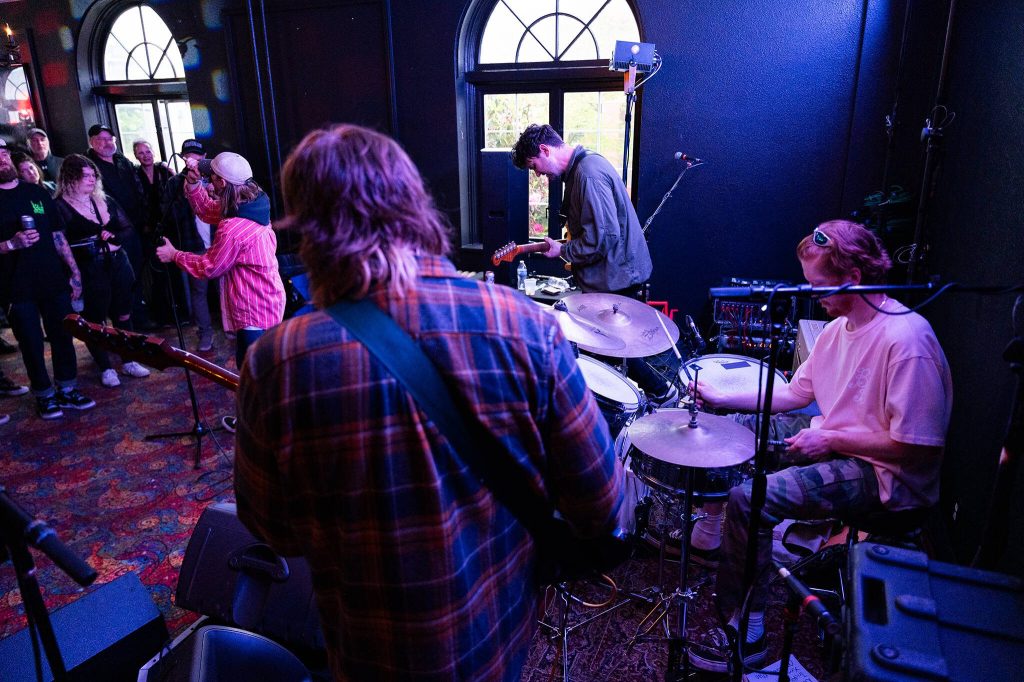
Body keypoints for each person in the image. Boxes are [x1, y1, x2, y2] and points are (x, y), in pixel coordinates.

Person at [233, 124, 625, 680]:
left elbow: (271, 528)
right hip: (498, 639)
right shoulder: (525, 327)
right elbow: (600, 505)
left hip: (366, 649)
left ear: (311, 231)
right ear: (414, 206)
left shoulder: (276, 361)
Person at [686, 220, 953, 672]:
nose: (812, 294)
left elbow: (919, 449)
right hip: (841, 445)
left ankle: (746, 630)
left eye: (819, 285)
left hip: (888, 479)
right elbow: (793, 394)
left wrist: (828, 437)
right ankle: (723, 539)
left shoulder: (907, 340)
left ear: (855, 274)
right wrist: (719, 398)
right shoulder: (837, 330)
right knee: (729, 432)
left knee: (751, 501)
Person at [510, 123, 675, 405]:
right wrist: (562, 247)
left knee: (611, 347)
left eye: (534, 166)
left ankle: (660, 392)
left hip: (618, 276)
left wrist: (564, 250)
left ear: (545, 150)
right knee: (608, 348)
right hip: (613, 272)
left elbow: (603, 238)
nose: (538, 174)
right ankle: (644, 396)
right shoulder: (581, 170)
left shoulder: (587, 174)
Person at [155, 150, 285, 431]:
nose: (209, 182)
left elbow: (209, 267)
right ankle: (266, 418)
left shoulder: (234, 228)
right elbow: (206, 209)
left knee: (251, 369)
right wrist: (193, 184)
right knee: (265, 366)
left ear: (223, 184)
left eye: (212, 178)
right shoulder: (252, 200)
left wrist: (174, 254)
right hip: (267, 299)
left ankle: (257, 425)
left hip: (254, 306)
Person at [0, 140, 95, 419]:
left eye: (4, 154)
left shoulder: (36, 193)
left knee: (63, 334)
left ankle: (67, 388)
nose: (2, 160)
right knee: (30, 342)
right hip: (16, 285)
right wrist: (10, 244)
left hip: (52, 278)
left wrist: (74, 271)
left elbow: (57, 234)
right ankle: (43, 393)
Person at [54, 154, 151, 388]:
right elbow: (59, 241)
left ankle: (129, 360)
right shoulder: (60, 206)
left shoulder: (104, 199)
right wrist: (74, 274)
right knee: (94, 319)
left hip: (118, 263)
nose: (91, 179)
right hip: (89, 269)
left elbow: (127, 228)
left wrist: (115, 237)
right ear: (70, 177)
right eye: (85, 175)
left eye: (93, 174)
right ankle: (105, 367)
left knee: (124, 313)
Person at [85, 124, 149, 327]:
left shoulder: (123, 161)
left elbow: (138, 188)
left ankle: (139, 319)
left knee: (137, 273)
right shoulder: (89, 166)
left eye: (109, 138)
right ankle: (124, 324)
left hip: (134, 228)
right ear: (92, 142)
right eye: (101, 139)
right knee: (120, 279)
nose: (107, 142)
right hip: (110, 233)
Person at [159, 139, 216, 351]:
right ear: (184, 157)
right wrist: (187, 195)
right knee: (199, 292)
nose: (194, 159)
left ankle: (234, 329)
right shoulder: (175, 183)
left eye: (198, 155)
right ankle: (205, 333)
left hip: (220, 242)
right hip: (194, 244)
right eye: (190, 155)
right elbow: (169, 216)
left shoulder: (217, 177)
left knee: (227, 289)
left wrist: (212, 191)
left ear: (205, 156)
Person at [132, 139, 175, 325]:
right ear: (135, 156)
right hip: (148, 230)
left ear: (153, 152)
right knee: (157, 274)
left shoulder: (165, 171)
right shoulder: (134, 175)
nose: (145, 155)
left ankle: (177, 313)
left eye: (147, 151)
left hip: (169, 227)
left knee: (173, 273)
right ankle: (160, 314)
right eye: (140, 153)